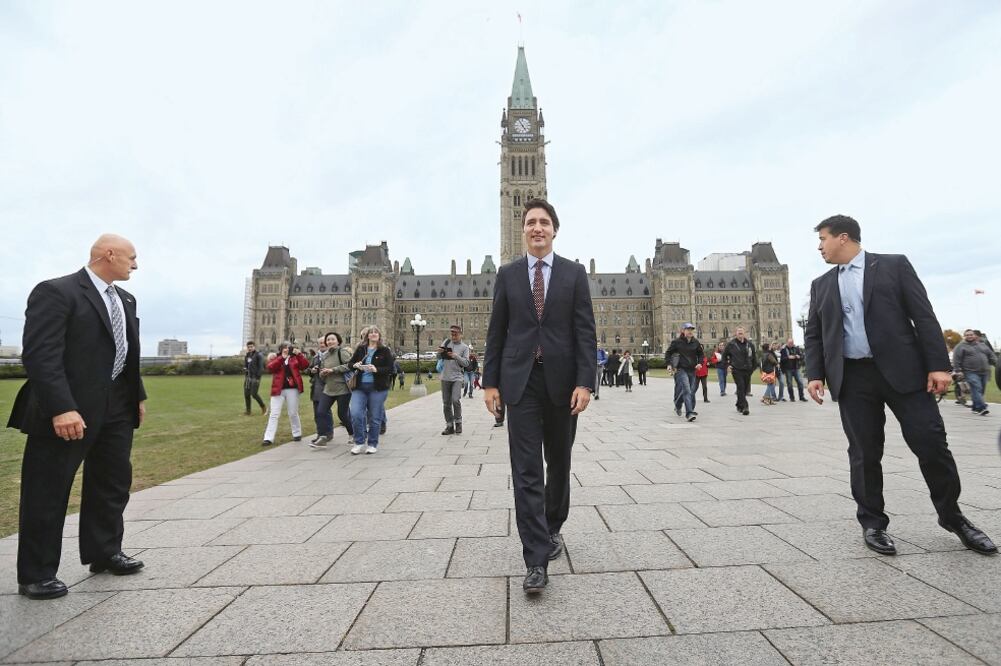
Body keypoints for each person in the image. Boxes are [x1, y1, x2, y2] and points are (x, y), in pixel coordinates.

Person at [805, 214, 996, 556]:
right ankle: (873, 523)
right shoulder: (821, 284)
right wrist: (815, 373)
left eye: (823, 239)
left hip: (903, 371)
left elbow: (923, 315)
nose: (819, 247)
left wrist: (938, 365)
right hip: (853, 377)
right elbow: (815, 333)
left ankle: (953, 517)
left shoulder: (893, 266)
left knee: (931, 444)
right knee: (864, 453)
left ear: (843, 237)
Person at [8, 234, 147, 599]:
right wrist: (61, 407)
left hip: (117, 407)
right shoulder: (57, 292)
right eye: (131, 257)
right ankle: (36, 574)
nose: (135, 264)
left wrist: (138, 396)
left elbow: (127, 353)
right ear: (109, 254)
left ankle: (104, 552)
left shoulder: (125, 299)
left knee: (112, 483)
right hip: (69, 407)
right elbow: (41, 355)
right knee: (48, 491)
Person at [482, 198, 596, 594]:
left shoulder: (574, 274)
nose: (537, 228)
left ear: (554, 230)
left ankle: (553, 526)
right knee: (526, 469)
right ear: (523, 229)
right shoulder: (509, 275)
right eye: (530, 222)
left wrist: (586, 382)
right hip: (521, 382)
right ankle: (535, 559)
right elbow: (497, 331)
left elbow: (585, 332)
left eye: (544, 222)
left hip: (564, 384)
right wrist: (489, 382)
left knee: (559, 463)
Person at [347, 326, 395, 454]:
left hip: (377, 388)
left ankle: (372, 443)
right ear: (367, 336)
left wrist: (376, 369)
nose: (373, 334)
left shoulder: (384, 350)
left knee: (374, 417)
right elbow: (350, 364)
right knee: (356, 414)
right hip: (360, 387)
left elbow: (390, 369)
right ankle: (359, 442)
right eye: (371, 332)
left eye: (376, 332)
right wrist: (355, 365)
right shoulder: (361, 349)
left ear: (379, 336)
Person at [262, 342, 308, 446]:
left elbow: (305, 365)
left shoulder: (294, 358)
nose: (286, 350)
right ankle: (268, 438)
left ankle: (297, 433)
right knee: (274, 414)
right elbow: (270, 368)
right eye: (284, 348)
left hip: (292, 389)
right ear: (281, 349)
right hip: (278, 389)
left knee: (293, 413)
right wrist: (281, 358)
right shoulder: (276, 358)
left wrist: (299, 354)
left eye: (288, 348)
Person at [312, 332, 353, 448]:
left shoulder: (342, 352)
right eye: (328, 340)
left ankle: (352, 434)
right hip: (329, 389)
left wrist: (333, 370)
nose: (329, 341)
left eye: (332, 339)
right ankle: (323, 437)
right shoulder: (325, 356)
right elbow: (322, 375)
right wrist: (321, 372)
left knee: (342, 415)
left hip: (342, 389)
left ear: (338, 341)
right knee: (320, 412)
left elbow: (350, 366)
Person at [666, 324, 704, 422]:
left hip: (692, 370)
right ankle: (689, 413)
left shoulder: (695, 342)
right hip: (680, 369)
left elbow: (701, 354)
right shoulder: (677, 342)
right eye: (688, 329)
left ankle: (678, 404)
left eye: (691, 329)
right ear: (683, 331)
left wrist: (700, 363)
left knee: (690, 391)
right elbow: (668, 353)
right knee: (687, 390)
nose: (690, 331)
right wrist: (669, 364)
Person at [953, 329, 996, 415]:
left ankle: (975, 408)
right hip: (970, 372)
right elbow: (956, 359)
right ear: (964, 336)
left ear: (974, 336)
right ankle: (982, 407)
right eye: (967, 335)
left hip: (984, 372)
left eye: (971, 334)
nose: (969, 336)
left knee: (980, 391)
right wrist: (958, 370)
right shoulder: (961, 346)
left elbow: (991, 356)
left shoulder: (982, 345)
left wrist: (997, 365)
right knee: (977, 388)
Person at [439, 324, 471, 434]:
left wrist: (455, 356)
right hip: (445, 377)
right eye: (452, 333)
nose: (453, 335)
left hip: (457, 377)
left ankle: (458, 422)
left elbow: (466, 363)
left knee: (455, 400)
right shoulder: (446, 343)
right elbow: (439, 358)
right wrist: (440, 353)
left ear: (460, 334)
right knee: (446, 403)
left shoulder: (465, 347)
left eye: (455, 333)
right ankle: (449, 425)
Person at [723, 327, 757, 415]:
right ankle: (745, 406)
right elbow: (724, 356)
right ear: (736, 334)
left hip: (747, 369)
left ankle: (739, 404)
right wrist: (727, 366)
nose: (740, 334)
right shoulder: (731, 344)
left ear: (744, 333)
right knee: (741, 386)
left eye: (742, 333)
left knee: (744, 389)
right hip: (736, 369)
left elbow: (754, 357)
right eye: (739, 333)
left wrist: (753, 367)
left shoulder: (749, 344)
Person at [306, 340, 328, 443]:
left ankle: (327, 433)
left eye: (324, 342)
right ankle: (321, 434)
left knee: (325, 412)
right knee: (317, 412)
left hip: (329, 387)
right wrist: (312, 371)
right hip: (317, 387)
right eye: (320, 343)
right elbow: (308, 370)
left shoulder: (331, 356)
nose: (322, 345)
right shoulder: (315, 357)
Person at [779, 338, 807, 402]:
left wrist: (799, 356)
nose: (791, 344)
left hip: (796, 368)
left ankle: (801, 397)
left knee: (800, 382)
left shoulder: (796, 348)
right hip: (788, 369)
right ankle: (792, 398)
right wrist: (788, 357)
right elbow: (782, 360)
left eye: (792, 343)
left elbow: (802, 356)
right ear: (787, 343)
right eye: (789, 343)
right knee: (789, 384)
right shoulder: (783, 350)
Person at [243, 341, 267, 415]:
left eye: (251, 347)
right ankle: (248, 411)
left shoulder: (258, 355)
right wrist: (245, 369)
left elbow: (261, 367)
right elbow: (246, 365)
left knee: (254, 394)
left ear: (254, 347)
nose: (250, 348)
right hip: (248, 377)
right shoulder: (247, 355)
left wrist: (258, 377)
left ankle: (263, 407)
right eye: (248, 347)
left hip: (255, 377)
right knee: (246, 394)